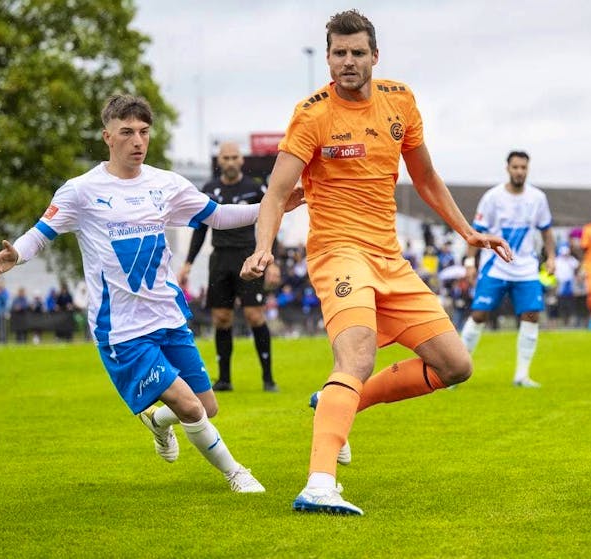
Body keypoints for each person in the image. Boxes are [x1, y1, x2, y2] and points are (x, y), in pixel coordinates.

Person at [240, 10, 512, 515]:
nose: (347, 61)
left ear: (374, 56)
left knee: (456, 365)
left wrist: (467, 231)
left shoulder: (401, 100)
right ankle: (319, 484)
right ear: (327, 58)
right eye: (339, 53)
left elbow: (426, 177)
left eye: (357, 52)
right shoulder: (312, 114)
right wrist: (264, 247)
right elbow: (276, 193)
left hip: (389, 256)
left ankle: (340, 401)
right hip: (337, 252)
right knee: (357, 358)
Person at [0, 94, 302, 493]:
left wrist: (271, 206)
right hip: (121, 331)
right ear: (107, 137)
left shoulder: (165, 184)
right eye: (127, 132)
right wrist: (17, 253)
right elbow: (41, 234)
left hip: (168, 317)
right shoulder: (81, 191)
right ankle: (236, 473)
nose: (138, 140)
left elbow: (218, 217)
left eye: (144, 132)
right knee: (188, 406)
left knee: (206, 407)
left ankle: (156, 419)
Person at [179, 142, 277, 392]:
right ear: (219, 161)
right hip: (220, 259)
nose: (231, 161)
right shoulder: (210, 189)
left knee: (255, 315)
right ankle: (224, 379)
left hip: (248, 255)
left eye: (235, 157)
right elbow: (200, 229)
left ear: (241, 160)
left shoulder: (254, 188)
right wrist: (188, 263)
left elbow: (271, 218)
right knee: (221, 318)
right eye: (226, 157)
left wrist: (271, 257)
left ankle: (268, 379)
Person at [459, 151, 555, 388]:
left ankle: (522, 375)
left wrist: (551, 257)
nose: (519, 171)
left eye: (523, 167)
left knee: (531, 315)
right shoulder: (493, 197)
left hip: (527, 268)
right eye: (515, 167)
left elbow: (546, 230)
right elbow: (476, 232)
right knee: (479, 314)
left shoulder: (537, 198)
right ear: (508, 168)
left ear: (528, 169)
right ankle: (455, 372)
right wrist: (470, 263)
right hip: (496, 267)